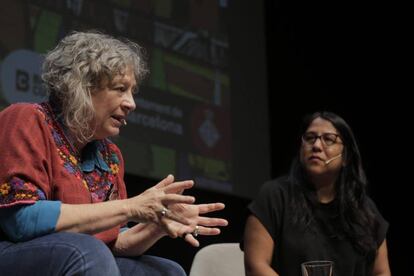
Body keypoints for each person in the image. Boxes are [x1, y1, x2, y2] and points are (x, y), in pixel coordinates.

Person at [0, 30, 228, 276]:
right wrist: (131, 207)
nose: (131, 103)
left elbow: (115, 242)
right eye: (120, 89)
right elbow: (22, 221)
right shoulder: (27, 119)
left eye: (132, 92)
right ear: (81, 87)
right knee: (87, 252)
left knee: (167, 271)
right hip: (12, 251)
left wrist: (158, 223)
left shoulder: (110, 156)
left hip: (78, 253)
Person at [243, 111, 391, 276]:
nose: (317, 146)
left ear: (346, 157)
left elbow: (381, 272)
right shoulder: (275, 196)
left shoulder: (365, 209)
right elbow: (256, 266)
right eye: (310, 138)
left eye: (328, 139)